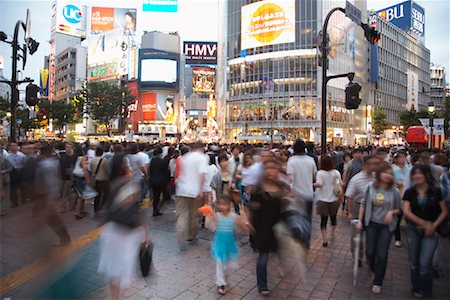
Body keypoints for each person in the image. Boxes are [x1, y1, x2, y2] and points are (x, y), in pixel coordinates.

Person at [98, 151, 150, 300]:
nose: (132, 169)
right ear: (124, 168)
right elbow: (137, 212)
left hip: (111, 231)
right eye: (129, 166)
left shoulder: (112, 184)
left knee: (115, 272)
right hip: (125, 235)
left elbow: (106, 210)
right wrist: (146, 234)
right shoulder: (131, 185)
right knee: (122, 270)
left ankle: (115, 298)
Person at [403, 165, 448, 298]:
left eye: (420, 174)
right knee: (413, 262)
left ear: (427, 175)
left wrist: (433, 225)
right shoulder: (410, 192)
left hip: (431, 231)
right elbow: (406, 210)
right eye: (415, 174)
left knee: (425, 264)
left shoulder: (436, 191)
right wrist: (424, 223)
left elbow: (444, 211)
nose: (417, 176)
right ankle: (416, 287)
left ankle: (427, 290)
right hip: (413, 229)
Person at [357, 163, 402, 294]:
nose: (388, 176)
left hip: (386, 227)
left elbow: (400, 209)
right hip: (371, 223)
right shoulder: (370, 187)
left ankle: (378, 281)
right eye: (385, 173)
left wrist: (391, 212)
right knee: (370, 252)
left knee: (382, 254)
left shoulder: (395, 191)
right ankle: (375, 270)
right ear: (379, 174)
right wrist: (360, 221)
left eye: (390, 173)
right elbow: (363, 204)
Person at [249, 161, 283, 296]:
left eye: (273, 169)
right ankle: (262, 285)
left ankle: (278, 270)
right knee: (263, 256)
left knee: (275, 252)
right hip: (261, 227)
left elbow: (281, 208)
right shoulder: (258, 189)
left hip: (276, 227)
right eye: (268, 169)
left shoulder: (279, 187)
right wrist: (250, 224)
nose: (270, 171)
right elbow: (252, 207)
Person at [209, 199, 248, 295]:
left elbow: (242, 226)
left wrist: (247, 227)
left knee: (228, 263)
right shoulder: (217, 216)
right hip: (219, 244)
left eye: (225, 204)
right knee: (220, 263)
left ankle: (223, 274)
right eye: (221, 204)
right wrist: (209, 217)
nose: (223, 207)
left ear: (230, 205)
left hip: (229, 244)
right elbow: (210, 227)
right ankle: (220, 284)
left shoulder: (233, 217)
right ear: (218, 205)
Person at [175, 142, 207, 250]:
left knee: (182, 214)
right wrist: (201, 190)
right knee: (193, 215)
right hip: (194, 190)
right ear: (201, 148)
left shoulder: (185, 157)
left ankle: (181, 237)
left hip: (182, 189)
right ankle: (191, 236)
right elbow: (201, 174)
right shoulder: (202, 158)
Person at [345, 156, 377, 265]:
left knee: (372, 232)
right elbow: (350, 196)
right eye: (371, 164)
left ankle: (370, 254)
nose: (373, 167)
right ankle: (357, 256)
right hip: (358, 207)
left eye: (374, 164)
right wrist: (349, 212)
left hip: (373, 207)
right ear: (364, 165)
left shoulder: (377, 177)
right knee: (356, 233)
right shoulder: (356, 179)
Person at [314, 156, 342, 247]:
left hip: (322, 199)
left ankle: (324, 239)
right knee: (333, 218)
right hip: (334, 199)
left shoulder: (320, 173)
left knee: (323, 220)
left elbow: (319, 184)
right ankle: (332, 233)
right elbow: (339, 184)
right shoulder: (336, 173)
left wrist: (310, 184)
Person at [286, 139, 317, 220]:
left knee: (296, 220)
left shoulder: (291, 161)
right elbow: (314, 177)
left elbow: (290, 178)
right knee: (308, 219)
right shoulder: (311, 160)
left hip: (296, 196)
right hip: (309, 194)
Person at [392, 151, 411, 247]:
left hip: (408, 197)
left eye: (404, 157)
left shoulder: (409, 169)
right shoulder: (393, 169)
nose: (402, 159)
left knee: (409, 218)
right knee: (398, 218)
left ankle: (411, 238)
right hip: (397, 196)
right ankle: (398, 238)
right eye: (400, 157)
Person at [90, 147, 110, 217]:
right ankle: (102, 209)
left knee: (97, 196)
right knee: (105, 195)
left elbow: (91, 170)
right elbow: (107, 171)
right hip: (103, 180)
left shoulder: (92, 160)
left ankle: (96, 211)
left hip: (95, 180)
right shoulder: (104, 160)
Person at [148, 147, 168, 216]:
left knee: (155, 196)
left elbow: (149, 170)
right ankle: (157, 209)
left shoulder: (152, 161)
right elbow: (166, 171)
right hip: (161, 181)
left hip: (153, 181)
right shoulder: (162, 161)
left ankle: (155, 209)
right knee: (159, 196)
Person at [59, 143, 77, 213]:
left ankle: (63, 207)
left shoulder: (75, 156)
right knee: (67, 192)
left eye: (69, 147)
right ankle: (71, 205)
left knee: (65, 192)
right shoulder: (62, 155)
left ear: (72, 148)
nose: (68, 149)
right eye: (67, 147)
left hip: (70, 177)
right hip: (63, 176)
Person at [7, 142, 25, 207]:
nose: (13, 147)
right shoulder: (8, 156)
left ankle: (23, 200)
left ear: (17, 147)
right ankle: (15, 203)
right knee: (13, 189)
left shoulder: (22, 155)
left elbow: (24, 164)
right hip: (12, 173)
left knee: (22, 187)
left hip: (21, 172)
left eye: (14, 146)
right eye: (11, 146)